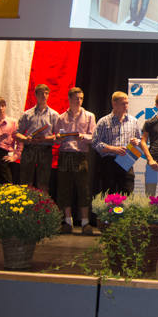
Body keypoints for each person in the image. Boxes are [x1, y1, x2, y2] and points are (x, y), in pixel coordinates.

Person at [55, 88, 96, 235]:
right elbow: (56, 138)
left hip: (80, 156)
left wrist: (83, 137)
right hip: (65, 155)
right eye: (75, 98)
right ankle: (67, 222)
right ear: (69, 99)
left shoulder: (89, 116)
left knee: (83, 189)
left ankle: (85, 222)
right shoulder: (61, 117)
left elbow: (93, 137)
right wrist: (58, 138)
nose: (78, 101)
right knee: (64, 189)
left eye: (80, 98)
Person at [92, 91, 141, 195]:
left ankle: (126, 212)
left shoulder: (133, 121)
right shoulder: (103, 121)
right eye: (123, 103)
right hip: (109, 162)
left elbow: (140, 140)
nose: (126, 106)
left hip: (127, 160)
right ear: (114, 104)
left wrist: (137, 141)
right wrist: (114, 149)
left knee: (127, 193)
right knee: (109, 195)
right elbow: (95, 143)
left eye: (127, 103)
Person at [16, 84, 59, 193]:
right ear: (35, 95)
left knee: (43, 183)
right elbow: (17, 134)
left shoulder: (54, 114)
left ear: (48, 95)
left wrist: (44, 139)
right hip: (29, 149)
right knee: (26, 182)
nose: (43, 96)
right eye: (41, 93)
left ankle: (42, 208)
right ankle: (24, 207)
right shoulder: (27, 114)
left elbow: (59, 137)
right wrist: (26, 139)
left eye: (46, 93)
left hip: (45, 150)